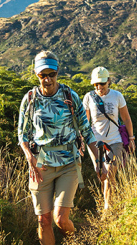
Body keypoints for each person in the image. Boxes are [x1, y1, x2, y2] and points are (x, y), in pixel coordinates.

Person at [18, 51, 105, 245]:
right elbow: (22, 135)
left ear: (58, 71)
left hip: (69, 163)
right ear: (36, 74)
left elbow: (87, 132)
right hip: (41, 164)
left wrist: (99, 162)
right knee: (44, 219)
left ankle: (74, 240)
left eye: (52, 74)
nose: (47, 79)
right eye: (43, 75)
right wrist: (29, 158)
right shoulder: (30, 99)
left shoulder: (69, 96)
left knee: (61, 219)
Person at [82, 66, 135, 211]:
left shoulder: (117, 96)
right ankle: (106, 200)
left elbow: (126, 119)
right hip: (96, 142)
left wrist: (131, 139)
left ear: (109, 81)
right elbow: (85, 122)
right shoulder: (88, 98)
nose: (99, 87)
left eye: (102, 83)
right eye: (96, 84)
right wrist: (81, 140)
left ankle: (108, 208)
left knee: (110, 172)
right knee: (101, 174)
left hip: (115, 141)